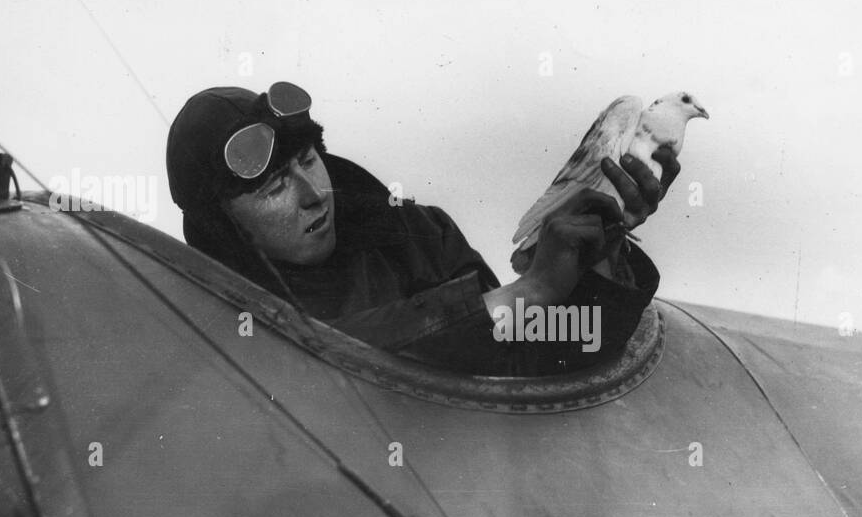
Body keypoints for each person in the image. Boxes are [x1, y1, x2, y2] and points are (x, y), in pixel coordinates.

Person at [165, 82, 680, 375]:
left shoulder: (417, 236)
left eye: (308, 158)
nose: (312, 192)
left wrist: (599, 253)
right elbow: (321, 364)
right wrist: (533, 288)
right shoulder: (206, 316)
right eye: (275, 187)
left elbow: (534, 367)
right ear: (223, 225)